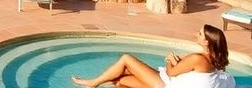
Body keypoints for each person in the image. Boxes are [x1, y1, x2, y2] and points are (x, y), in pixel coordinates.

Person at [72, 24, 235, 88]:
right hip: (167, 84)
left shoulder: (198, 58)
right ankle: (100, 82)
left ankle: (93, 83)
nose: (196, 34)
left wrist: (170, 60)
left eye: (199, 34)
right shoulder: (214, 61)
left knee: (126, 59)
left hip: (165, 84)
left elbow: (171, 72)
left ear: (207, 42)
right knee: (119, 80)